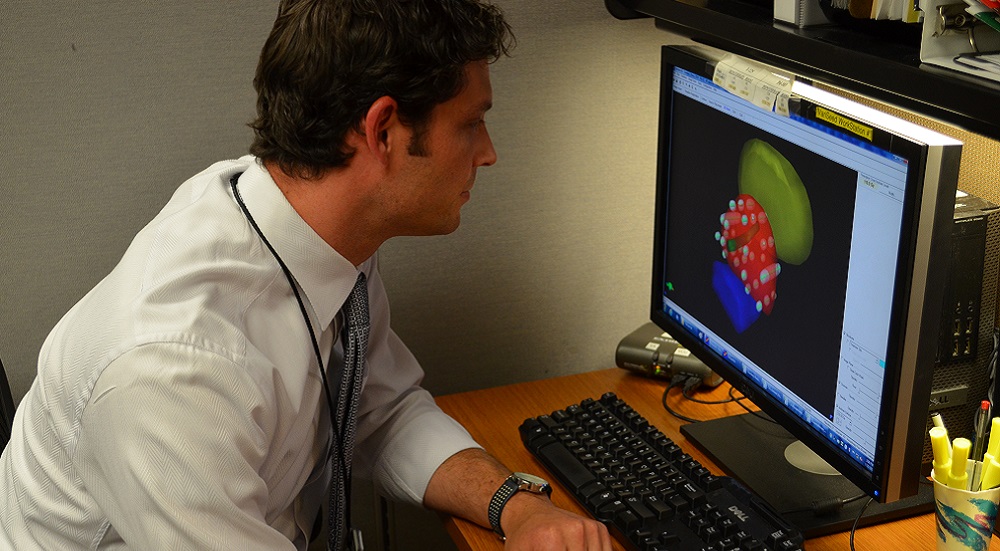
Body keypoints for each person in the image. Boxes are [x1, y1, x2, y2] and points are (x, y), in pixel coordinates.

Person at [0, 1, 612, 549]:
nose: (488, 152)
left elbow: (383, 408)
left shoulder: (315, 228)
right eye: (471, 122)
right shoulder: (174, 373)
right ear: (382, 131)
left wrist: (519, 508)